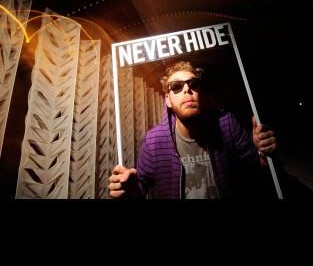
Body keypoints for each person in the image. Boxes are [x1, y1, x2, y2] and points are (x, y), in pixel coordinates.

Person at [108, 60, 278, 199]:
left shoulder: (227, 123)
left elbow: (257, 166)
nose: (187, 89)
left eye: (194, 84)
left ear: (201, 93)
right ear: (168, 100)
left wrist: (264, 151)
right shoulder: (153, 142)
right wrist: (129, 190)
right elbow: (140, 187)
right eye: (177, 86)